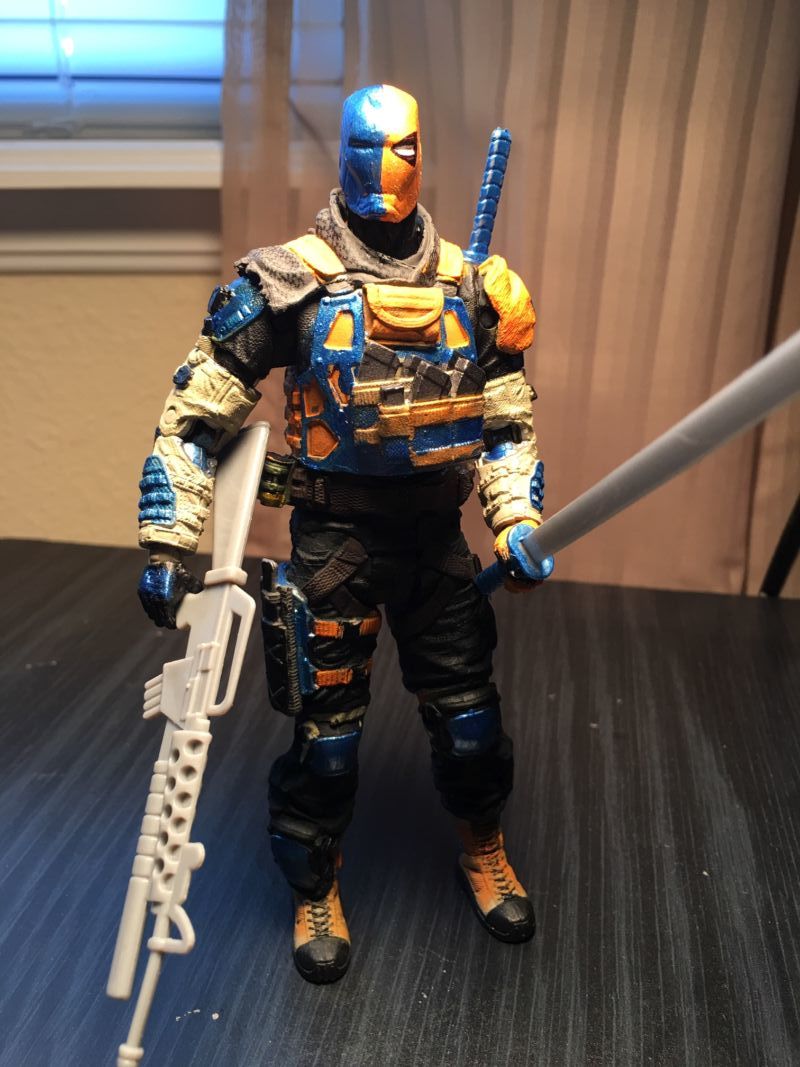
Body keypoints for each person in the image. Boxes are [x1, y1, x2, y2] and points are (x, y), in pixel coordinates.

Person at [136, 84, 552, 985]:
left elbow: (505, 423)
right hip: (335, 547)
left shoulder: (474, 286)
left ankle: (483, 846)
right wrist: (169, 541)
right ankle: (314, 885)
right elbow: (197, 415)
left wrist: (516, 517)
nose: (385, 167)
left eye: (402, 148)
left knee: (471, 725)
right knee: (326, 743)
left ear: (421, 154)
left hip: (436, 542)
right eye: (368, 147)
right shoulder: (289, 283)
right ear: (345, 154)